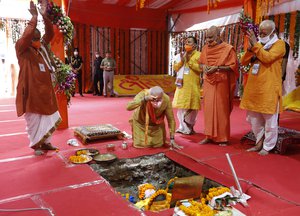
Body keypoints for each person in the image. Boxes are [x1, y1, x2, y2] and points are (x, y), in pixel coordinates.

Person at [15, 0, 61, 156]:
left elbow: (50, 33)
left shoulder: (41, 47)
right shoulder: (22, 49)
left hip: (45, 92)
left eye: (38, 39)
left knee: (49, 117)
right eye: (34, 39)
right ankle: (36, 145)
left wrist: (44, 16)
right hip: (31, 92)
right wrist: (33, 18)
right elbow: (28, 35)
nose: (37, 42)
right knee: (34, 120)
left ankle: (46, 142)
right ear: (29, 40)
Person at [240, 20, 285, 155]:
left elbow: (267, 58)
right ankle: (259, 142)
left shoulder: (279, 44)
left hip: (269, 87)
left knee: (270, 120)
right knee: (253, 118)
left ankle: (268, 146)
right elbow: (243, 61)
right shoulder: (258, 43)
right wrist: (251, 48)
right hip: (254, 87)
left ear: (273, 32)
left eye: (264, 32)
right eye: (260, 32)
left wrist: (256, 45)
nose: (261, 34)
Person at [198, 26, 238, 146]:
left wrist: (218, 68)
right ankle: (208, 135)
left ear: (219, 36)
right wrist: (203, 67)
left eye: (211, 37)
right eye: (207, 38)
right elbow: (200, 64)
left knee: (221, 109)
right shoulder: (205, 48)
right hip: (208, 82)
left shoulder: (228, 49)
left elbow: (233, 66)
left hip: (221, 82)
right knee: (208, 110)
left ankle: (223, 137)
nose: (208, 40)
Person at [172, 36, 201, 135]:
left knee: (192, 108)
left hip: (192, 86)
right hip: (182, 86)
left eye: (189, 42)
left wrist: (189, 61)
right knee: (181, 107)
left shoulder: (199, 55)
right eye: (186, 43)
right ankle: (182, 127)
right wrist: (182, 61)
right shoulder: (181, 55)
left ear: (195, 45)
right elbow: (175, 68)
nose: (187, 44)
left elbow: (200, 69)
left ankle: (189, 128)